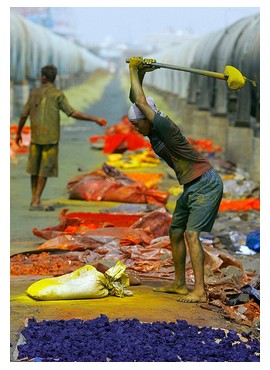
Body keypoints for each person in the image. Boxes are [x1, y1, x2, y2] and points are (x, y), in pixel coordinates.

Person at [128, 56, 223, 303]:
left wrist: (132, 68)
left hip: (206, 183)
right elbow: (135, 99)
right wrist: (141, 74)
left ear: (148, 120)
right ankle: (179, 284)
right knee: (175, 231)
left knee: (192, 234)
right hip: (192, 185)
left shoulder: (164, 127)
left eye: (138, 125)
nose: (137, 130)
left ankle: (199, 290)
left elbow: (139, 100)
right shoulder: (153, 129)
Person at [16, 64, 107, 211]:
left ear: (43, 77)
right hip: (51, 138)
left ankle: (34, 199)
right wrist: (94, 119)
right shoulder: (58, 94)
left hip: (36, 137)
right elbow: (72, 113)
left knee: (34, 168)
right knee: (44, 170)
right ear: (54, 78)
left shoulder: (34, 93)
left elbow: (23, 115)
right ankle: (36, 200)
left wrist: (19, 133)